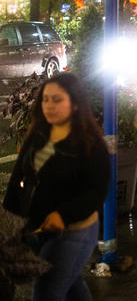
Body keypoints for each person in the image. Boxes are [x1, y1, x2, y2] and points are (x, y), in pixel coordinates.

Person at [3, 73, 110, 301]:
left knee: (47, 292)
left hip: (73, 232)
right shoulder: (38, 135)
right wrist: (9, 223)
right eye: (45, 99)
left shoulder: (91, 144)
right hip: (39, 229)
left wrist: (63, 214)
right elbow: (17, 180)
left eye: (57, 100)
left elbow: (96, 192)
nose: (49, 106)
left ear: (75, 104)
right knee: (71, 286)